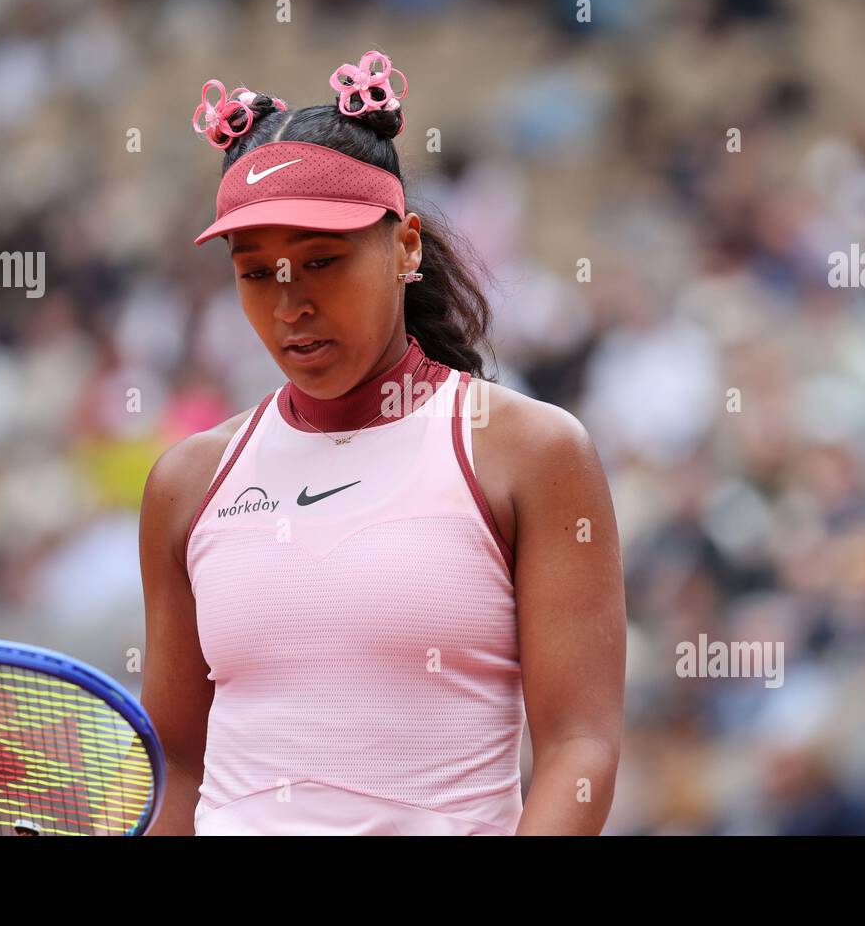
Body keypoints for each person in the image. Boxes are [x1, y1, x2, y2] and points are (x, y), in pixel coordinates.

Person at [139, 50, 625, 835]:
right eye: (258, 273)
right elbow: (179, 766)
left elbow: (580, 747)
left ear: (405, 247)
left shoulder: (531, 453)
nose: (290, 303)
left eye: (322, 260)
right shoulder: (186, 481)